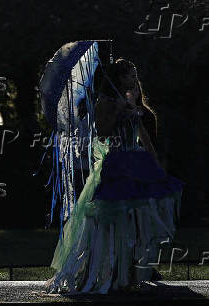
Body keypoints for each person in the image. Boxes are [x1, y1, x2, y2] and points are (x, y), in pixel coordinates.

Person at [45, 59, 183, 294]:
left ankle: (134, 268)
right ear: (119, 78)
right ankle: (107, 269)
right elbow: (103, 134)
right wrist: (118, 110)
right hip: (117, 161)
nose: (134, 79)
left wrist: (154, 162)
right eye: (129, 75)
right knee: (111, 220)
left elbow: (143, 136)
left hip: (136, 160)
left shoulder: (133, 102)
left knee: (138, 217)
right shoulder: (106, 102)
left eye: (135, 74)